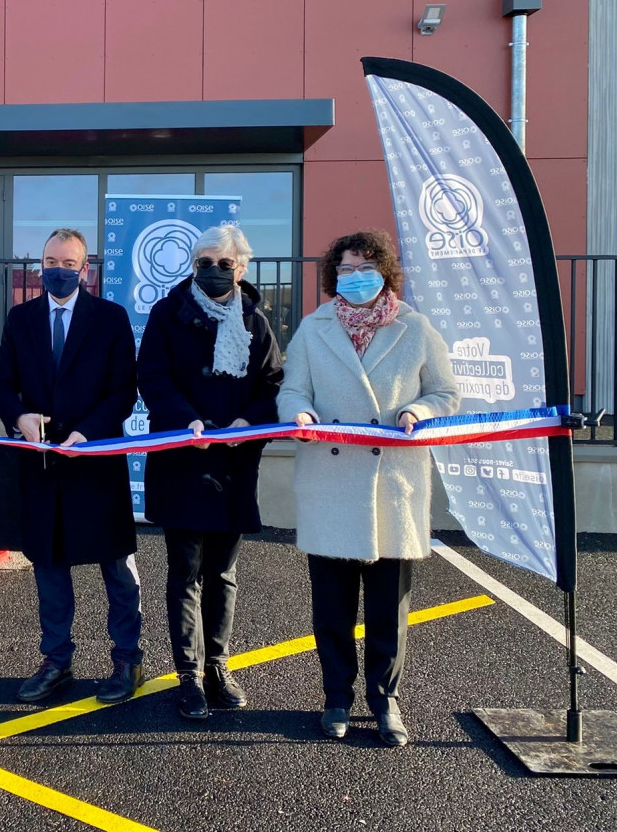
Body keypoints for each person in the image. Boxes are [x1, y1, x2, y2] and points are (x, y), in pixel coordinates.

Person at [277, 230, 459, 747]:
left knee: (387, 609)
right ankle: (336, 695)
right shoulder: (314, 329)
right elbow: (293, 388)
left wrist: (419, 411)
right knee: (331, 607)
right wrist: (299, 413)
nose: (355, 277)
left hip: (392, 486)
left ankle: (385, 699)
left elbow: (445, 392)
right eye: (346, 269)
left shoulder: (415, 328)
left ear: (385, 272)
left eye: (365, 267)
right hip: (330, 480)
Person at [0, 229, 142, 705]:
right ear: (40, 265)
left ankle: (127, 660)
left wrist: (88, 433)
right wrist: (20, 416)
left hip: (95, 463)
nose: (58, 269)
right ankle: (57, 661)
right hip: (42, 466)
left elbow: (124, 390)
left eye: (68, 262)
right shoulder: (20, 318)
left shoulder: (111, 318)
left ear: (85, 270)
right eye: (50, 260)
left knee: (117, 569)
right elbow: (1, 384)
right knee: (50, 569)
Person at [137, 225, 283, 721]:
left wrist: (248, 422)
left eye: (224, 263)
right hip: (183, 457)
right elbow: (151, 374)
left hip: (234, 463)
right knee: (185, 572)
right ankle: (188, 675)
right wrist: (185, 420)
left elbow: (272, 385)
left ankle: (218, 666)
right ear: (192, 265)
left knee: (223, 572)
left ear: (241, 268)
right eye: (204, 261)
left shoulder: (257, 320)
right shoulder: (167, 313)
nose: (214, 271)